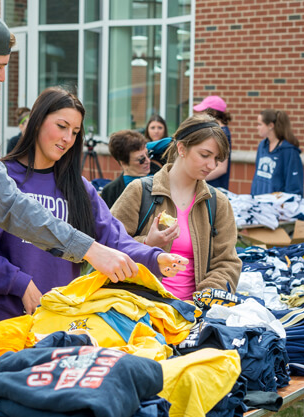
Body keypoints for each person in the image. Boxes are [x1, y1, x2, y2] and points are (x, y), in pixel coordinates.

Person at [0, 7, 185, 360]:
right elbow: (9, 206)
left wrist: (148, 256)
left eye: (76, 131)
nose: (2, 79)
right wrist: (87, 250)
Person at [0, 88, 187, 325]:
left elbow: (114, 239)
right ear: (37, 122)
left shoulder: (79, 188)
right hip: (5, 321)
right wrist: (20, 283)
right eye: (61, 126)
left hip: (62, 320)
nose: (68, 138)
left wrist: (155, 258)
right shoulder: (3, 179)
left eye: (75, 132)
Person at [111, 114, 242, 301]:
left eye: (217, 159)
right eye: (205, 155)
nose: (212, 165)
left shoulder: (218, 202)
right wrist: (148, 244)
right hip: (139, 312)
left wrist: (202, 300)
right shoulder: (139, 191)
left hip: (193, 318)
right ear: (181, 148)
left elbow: (227, 262)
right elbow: (108, 246)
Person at [252, 109, 304, 196]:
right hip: (259, 203)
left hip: (276, 207)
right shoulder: (262, 146)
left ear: (271, 125)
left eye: (260, 124)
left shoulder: (289, 151)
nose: (257, 127)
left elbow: (294, 186)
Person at [101, 130, 151, 208]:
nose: (148, 161)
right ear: (124, 164)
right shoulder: (110, 191)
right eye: (141, 159)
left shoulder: (158, 178)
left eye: (148, 154)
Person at [193, 95, 232, 190]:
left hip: (215, 188)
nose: (201, 114)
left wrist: (197, 180)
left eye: (204, 111)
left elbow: (221, 168)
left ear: (213, 112)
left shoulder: (222, 133)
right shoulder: (217, 131)